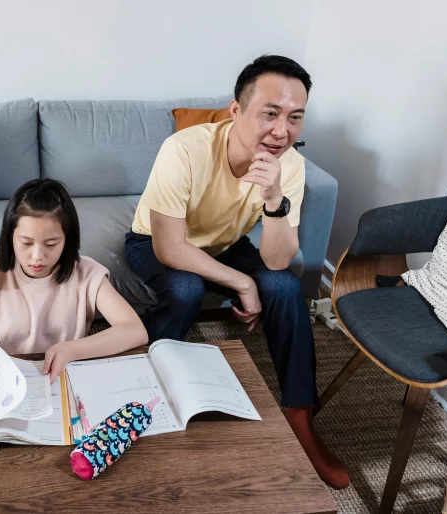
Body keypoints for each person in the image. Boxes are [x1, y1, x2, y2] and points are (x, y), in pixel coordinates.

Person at [124, 55, 349, 489]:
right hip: (156, 242)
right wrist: (242, 283)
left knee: (284, 288)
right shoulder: (185, 149)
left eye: (295, 117)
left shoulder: (291, 166)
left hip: (225, 244)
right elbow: (170, 246)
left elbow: (280, 261)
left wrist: (274, 200)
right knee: (186, 288)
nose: (282, 131)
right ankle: (146, 389)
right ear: (235, 111)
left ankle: (300, 417)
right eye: (269, 113)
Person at [0, 179, 147, 382]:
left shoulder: (87, 274)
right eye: (26, 243)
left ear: (67, 239)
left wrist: (70, 350)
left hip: (68, 376)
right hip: (13, 381)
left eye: (51, 244)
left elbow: (135, 331)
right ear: (10, 237)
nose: (37, 256)